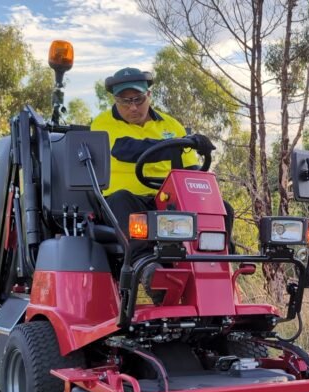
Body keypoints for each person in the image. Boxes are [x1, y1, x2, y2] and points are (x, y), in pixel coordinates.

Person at [91, 67, 233, 255]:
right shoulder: (102, 123)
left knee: (223, 208)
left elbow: (191, 168)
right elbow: (124, 149)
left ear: (148, 95)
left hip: (169, 200)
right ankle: (143, 262)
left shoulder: (171, 125)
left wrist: (197, 147)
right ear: (115, 100)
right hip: (131, 202)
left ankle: (217, 262)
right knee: (119, 199)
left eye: (138, 99)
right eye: (124, 101)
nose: (132, 107)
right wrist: (172, 146)